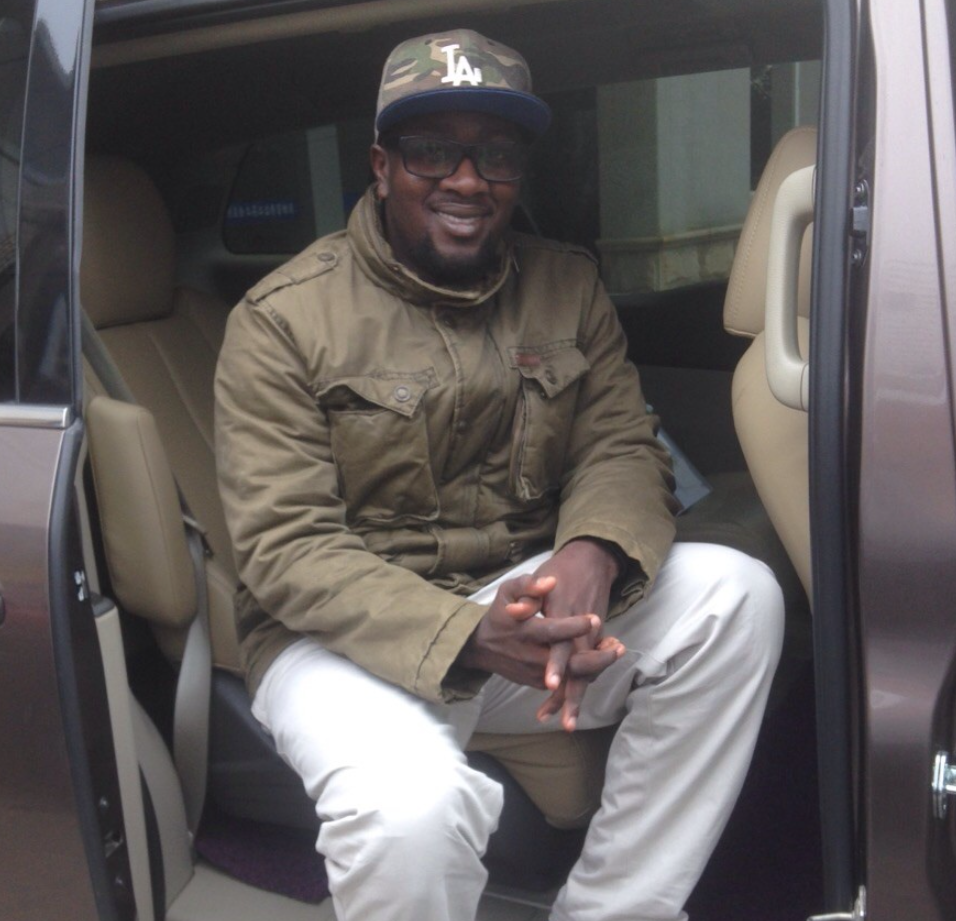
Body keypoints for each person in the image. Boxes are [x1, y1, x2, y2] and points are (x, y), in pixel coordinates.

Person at [215, 28, 784, 921]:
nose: (468, 179)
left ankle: (613, 909)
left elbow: (620, 444)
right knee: (410, 810)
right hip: (341, 641)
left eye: (497, 154)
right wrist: (469, 634)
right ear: (381, 166)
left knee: (736, 597)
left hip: (518, 608)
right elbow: (287, 548)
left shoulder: (567, 284)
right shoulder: (283, 319)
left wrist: (592, 551)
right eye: (431, 150)